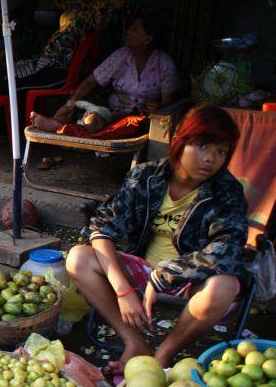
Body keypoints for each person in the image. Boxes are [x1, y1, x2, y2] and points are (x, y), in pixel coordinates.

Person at [66, 105, 247, 373]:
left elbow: (227, 250)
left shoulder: (226, 192)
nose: (211, 158)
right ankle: (134, 341)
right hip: (141, 269)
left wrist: (162, 276)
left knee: (224, 286)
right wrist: (123, 289)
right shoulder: (146, 177)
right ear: (178, 143)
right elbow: (104, 226)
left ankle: (163, 354)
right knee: (78, 257)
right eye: (202, 146)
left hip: (190, 280)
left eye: (221, 151)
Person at [30, 12, 179, 134]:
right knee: (93, 121)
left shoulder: (164, 63)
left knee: (117, 126)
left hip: (143, 119)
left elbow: (168, 103)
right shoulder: (122, 55)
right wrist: (71, 102)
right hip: (111, 113)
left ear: (148, 39)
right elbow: (91, 81)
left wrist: (157, 107)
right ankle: (65, 128)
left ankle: (59, 128)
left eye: (134, 29)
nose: (127, 32)